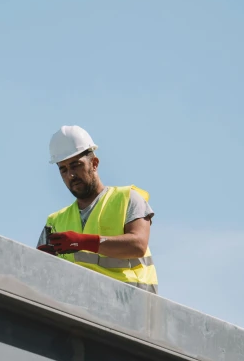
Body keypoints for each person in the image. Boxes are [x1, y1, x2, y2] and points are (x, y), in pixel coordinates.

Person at [37, 125, 158, 293]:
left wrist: (82, 241)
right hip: (80, 309)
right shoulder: (55, 221)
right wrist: (41, 261)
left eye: (76, 165)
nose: (70, 175)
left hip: (131, 303)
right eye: (63, 169)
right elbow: (38, 272)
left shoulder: (127, 198)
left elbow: (138, 245)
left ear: (94, 163)